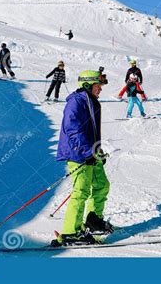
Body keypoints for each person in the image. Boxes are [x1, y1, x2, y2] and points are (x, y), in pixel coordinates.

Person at [51, 68, 111, 246]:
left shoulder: (91, 101)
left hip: (91, 153)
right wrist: (87, 152)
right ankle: (71, 232)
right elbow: (72, 129)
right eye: (97, 85)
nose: (100, 89)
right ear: (87, 85)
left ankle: (93, 223)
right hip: (78, 154)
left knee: (102, 185)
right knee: (81, 191)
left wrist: (97, 153)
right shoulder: (76, 102)